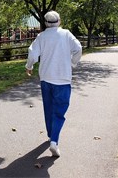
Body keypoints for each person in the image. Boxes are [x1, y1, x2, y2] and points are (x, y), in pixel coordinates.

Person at [25, 10, 82, 157]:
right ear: (59, 21)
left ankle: (51, 134)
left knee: (49, 108)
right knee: (59, 111)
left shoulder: (41, 36)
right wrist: (72, 63)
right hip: (62, 78)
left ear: (45, 23)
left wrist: (29, 66)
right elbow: (78, 49)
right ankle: (54, 141)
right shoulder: (67, 34)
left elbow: (32, 53)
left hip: (46, 78)